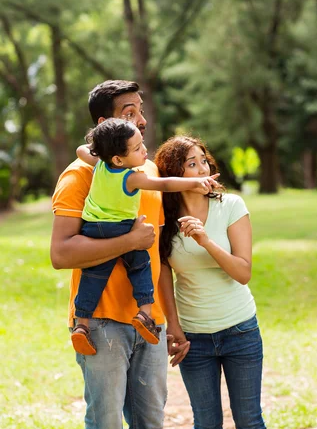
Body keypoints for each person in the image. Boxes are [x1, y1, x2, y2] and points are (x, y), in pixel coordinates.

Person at [50, 80, 192, 429]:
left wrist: (172, 321)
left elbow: (160, 258)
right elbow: (62, 252)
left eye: (140, 109)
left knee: (151, 427)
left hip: (146, 322)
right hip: (102, 324)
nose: (142, 119)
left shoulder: (145, 170)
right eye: (129, 112)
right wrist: (127, 242)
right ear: (103, 125)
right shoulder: (78, 175)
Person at [155, 135, 285, 429]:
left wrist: (204, 239)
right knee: (206, 427)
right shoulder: (162, 215)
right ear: (173, 176)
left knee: (250, 423)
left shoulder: (230, 207)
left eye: (200, 162)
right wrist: (173, 328)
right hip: (194, 336)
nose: (198, 170)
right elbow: (163, 276)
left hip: (240, 329)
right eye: (187, 165)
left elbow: (242, 272)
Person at [71, 118, 219, 355]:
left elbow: (81, 150)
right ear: (118, 159)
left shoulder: (99, 163)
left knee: (92, 277)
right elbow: (166, 183)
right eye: (138, 148)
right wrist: (196, 181)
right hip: (121, 229)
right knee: (141, 267)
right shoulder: (132, 177)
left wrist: (97, 147)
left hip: (93, 229)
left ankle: (81, 325)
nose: (145, 150)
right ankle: (145, 313)